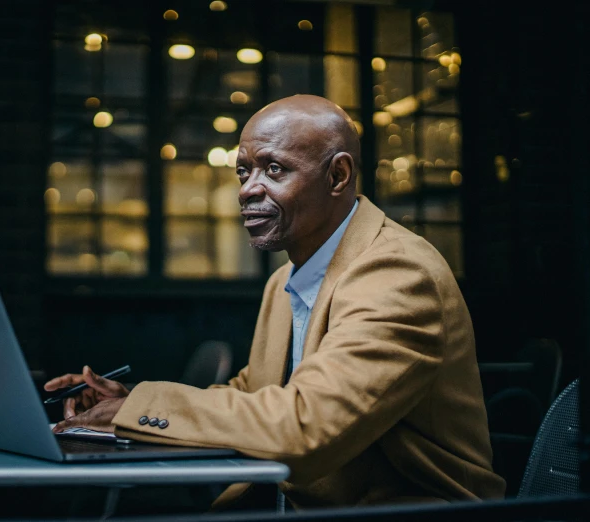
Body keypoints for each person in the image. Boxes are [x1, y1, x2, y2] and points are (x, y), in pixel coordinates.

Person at [45, 95, 506, 509]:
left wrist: (143, 410)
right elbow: (254, 395)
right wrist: (129, 404)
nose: (247, 189)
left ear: (337, 176)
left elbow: (305, 427)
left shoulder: (397, 274)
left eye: (274, 169)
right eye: (243, 172)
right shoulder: (287, 279)